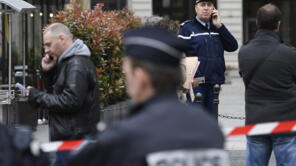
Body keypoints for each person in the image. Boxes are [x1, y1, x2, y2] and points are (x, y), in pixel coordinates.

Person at [68, 27, 226, 166]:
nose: (125, 76)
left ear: (141, 76)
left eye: (127, 72)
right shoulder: (210, 128)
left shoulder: (127, 136)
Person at [238, 3, 296, 166]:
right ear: (278, 24)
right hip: (286, 119)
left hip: (256, 118)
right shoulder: (290, 53)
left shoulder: (244, 52)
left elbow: (245, 79)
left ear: (257, 23)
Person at [26, 23, 100, 166]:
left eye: (49, 45)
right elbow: (59, 93)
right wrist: (48, 72)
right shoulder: (69, 62)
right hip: (70, 139)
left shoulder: (76, 64)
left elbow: (70, 101)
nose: (46, 51)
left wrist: (37, 96)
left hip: (73, 140)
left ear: (62, 38)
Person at [178, 0, 238, 112]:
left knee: (211, 119)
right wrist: (185, 82)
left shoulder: (218, 27)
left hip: (214, 82)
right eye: (202, 5)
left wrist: (220, 26)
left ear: (213, 8)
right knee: (196, 120)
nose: (206, 8)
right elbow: (179, 55)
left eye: (209, 5)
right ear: (196, 8)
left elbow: (233, 46)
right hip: (196, 84)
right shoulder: (187, 29)